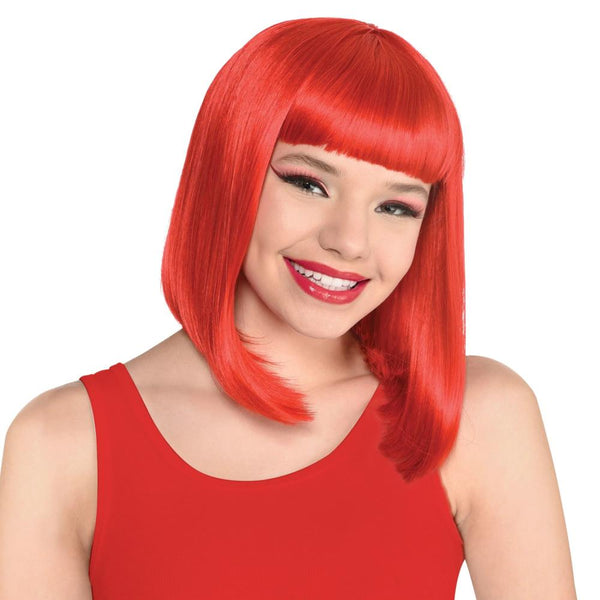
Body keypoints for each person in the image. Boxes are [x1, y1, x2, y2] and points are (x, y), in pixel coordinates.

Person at [0, 17, 576, 599]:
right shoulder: (63, 444)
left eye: (396, 207)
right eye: (308, 183)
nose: (349, 241)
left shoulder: (468, 416)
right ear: (230, 170)